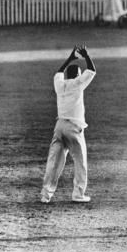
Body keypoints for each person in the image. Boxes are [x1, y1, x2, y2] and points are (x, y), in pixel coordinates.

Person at [41, 46, 96, 203]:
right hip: (74, 127)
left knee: (54, 162)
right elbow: (92, 70)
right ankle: (78, 194)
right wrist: (86, 55)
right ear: (78, 75)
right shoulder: (78, 83)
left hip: (59, 126)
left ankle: (46, 195)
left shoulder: (60, 85)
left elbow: (58, 72)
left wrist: (71, 57)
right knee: (80, 162)